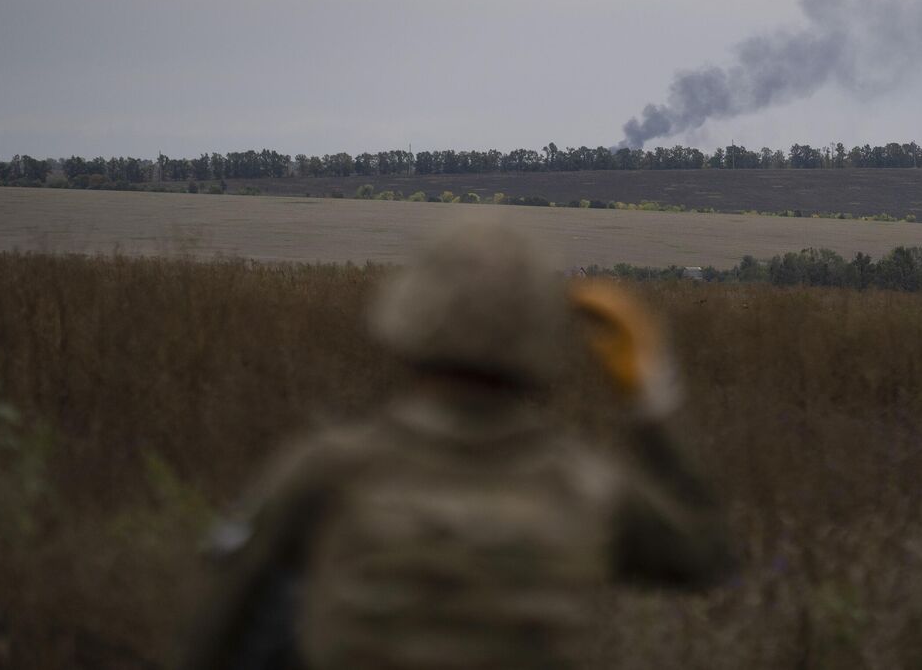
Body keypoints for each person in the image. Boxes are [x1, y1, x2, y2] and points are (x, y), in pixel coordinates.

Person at [180, 223, 733, 670]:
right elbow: (705, 554)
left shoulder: (331, 469)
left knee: (279, 602)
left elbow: (214, 625)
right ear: (546, 337)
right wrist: (650, 397)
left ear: (411, 318)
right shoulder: (591, 488)